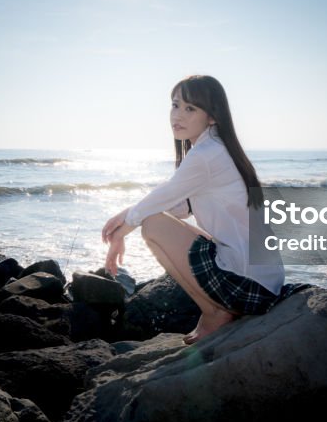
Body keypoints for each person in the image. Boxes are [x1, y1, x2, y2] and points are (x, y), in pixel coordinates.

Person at [101, 74, 286, 344]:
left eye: (191, 108)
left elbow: (165, 199)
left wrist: (123, 228)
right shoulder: (215, 148)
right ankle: (216, 310)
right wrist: (128, 216)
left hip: (250, 284)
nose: (179, 115)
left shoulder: (206, 154)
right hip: (262, 280)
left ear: (212, 116)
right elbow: (178, 205)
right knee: (152, 219)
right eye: (175, 105)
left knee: (152, 225)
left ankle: (214, 313)